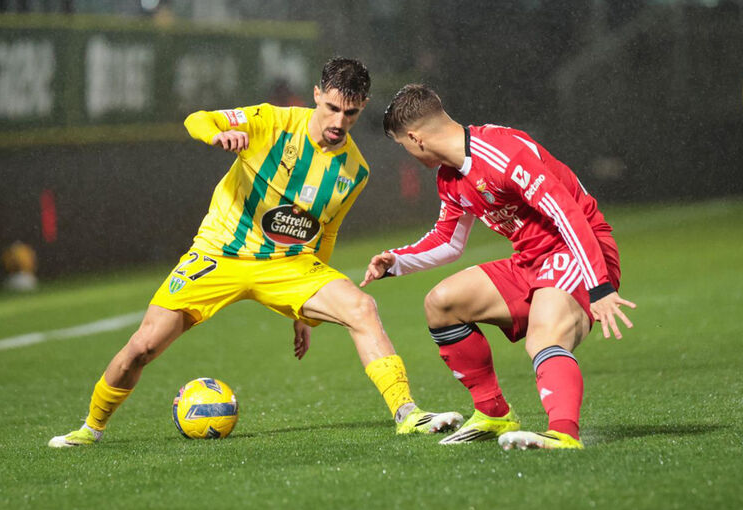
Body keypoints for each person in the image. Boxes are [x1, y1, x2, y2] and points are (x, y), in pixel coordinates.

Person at [49, 60, 461, 448]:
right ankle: (90, 429)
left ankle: (408, 414)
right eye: (332, 107)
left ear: (362, 107)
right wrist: (216, 134)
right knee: (143, 347)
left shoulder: (355, 170)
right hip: (219, 255)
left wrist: (303, 312)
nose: (339, 122)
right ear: (316, 94)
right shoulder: (272, 121)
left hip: (288, 265)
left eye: (350, 113)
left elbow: (326, 231)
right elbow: (198, 118)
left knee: (362, 307)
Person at [362, 84, 636, 449]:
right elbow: (448, 241)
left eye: (403, 145)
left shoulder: (501, 151)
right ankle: (493, 413)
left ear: (415, 137)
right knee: (442, 303)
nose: (407, 153)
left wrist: (599, 285)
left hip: (579, 250)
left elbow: (565, 212)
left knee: (544, 337)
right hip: (531, 261)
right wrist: (397, 261)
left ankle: (563, 433)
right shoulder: (450, 177)